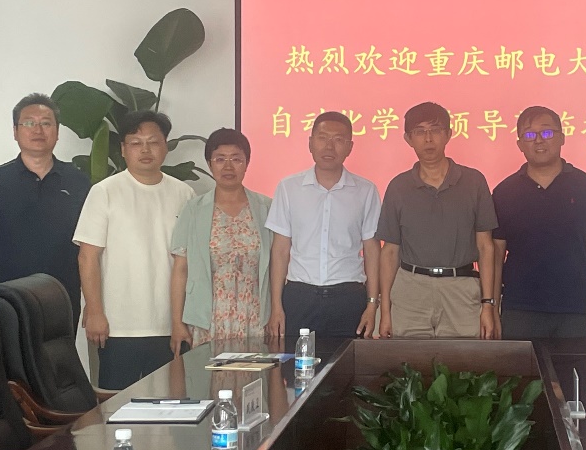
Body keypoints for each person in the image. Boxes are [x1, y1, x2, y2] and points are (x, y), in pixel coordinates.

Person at [73, 110, 194, 390]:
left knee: (170, 404)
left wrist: (182, 321)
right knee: (117, 404)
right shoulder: (105, 192)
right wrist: (95, 311)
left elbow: (187, 262)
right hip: (118, 326)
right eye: (136, 143)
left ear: (166, 146)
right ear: (123, 149)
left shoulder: (184, 194)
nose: (145, 150)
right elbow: (88, 257)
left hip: (170, 324)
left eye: (153, 142)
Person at [376, 101, 498, 339]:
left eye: (435, 130)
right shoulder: (398, 187)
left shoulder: (474, 182)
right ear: (408, 139)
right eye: (419, 132)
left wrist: (488, 305)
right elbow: (389, 252)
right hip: (411, 289)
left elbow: (486, 247)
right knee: (407, 359)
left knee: (463, 360)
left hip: (461, 289)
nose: (428, 138)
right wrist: (385, 311)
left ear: (449, 134)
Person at [0, 93, 90, 316]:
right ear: (15, 131)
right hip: (5, 300)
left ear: (57, 132)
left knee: (59, 342)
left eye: (46, 123)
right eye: (29, 123)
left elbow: (90, 248)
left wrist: (93, 303)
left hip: (62, 298)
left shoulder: (78, 182)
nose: (38, 130)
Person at [492, 106, 586, 342]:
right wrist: (493, 308)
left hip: (574, 310)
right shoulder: (504, 192)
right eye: (529, 134)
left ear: (562, 137)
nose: (538, 140)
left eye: (546, 132)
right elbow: (495, 255)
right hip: (519, 310)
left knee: (575, 368)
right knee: (521, 368)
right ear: (519, 144)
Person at [264, 112, 380, 340]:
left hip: (348, 297)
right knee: (298, 362)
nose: (329, 146)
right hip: (300, 296)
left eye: (338, 140)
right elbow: (280, 250)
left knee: (347, 363)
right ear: (310, 143)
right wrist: (276, 305)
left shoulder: (366, 191)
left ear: (350, 147)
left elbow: (372, 250)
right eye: (322, 138)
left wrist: (371, 304)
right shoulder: (289, 188)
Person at [170, 128, 272, 353]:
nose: (228, 167)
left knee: (254, 373)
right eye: (220, 159)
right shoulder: (193, 210)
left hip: (255, 317)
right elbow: (180, 269)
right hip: (209, 318)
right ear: (209, 164)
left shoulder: (266, 208)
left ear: (247, 163)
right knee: (208, 374)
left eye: (236, 159)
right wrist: (177, 323)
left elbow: (278, 267)